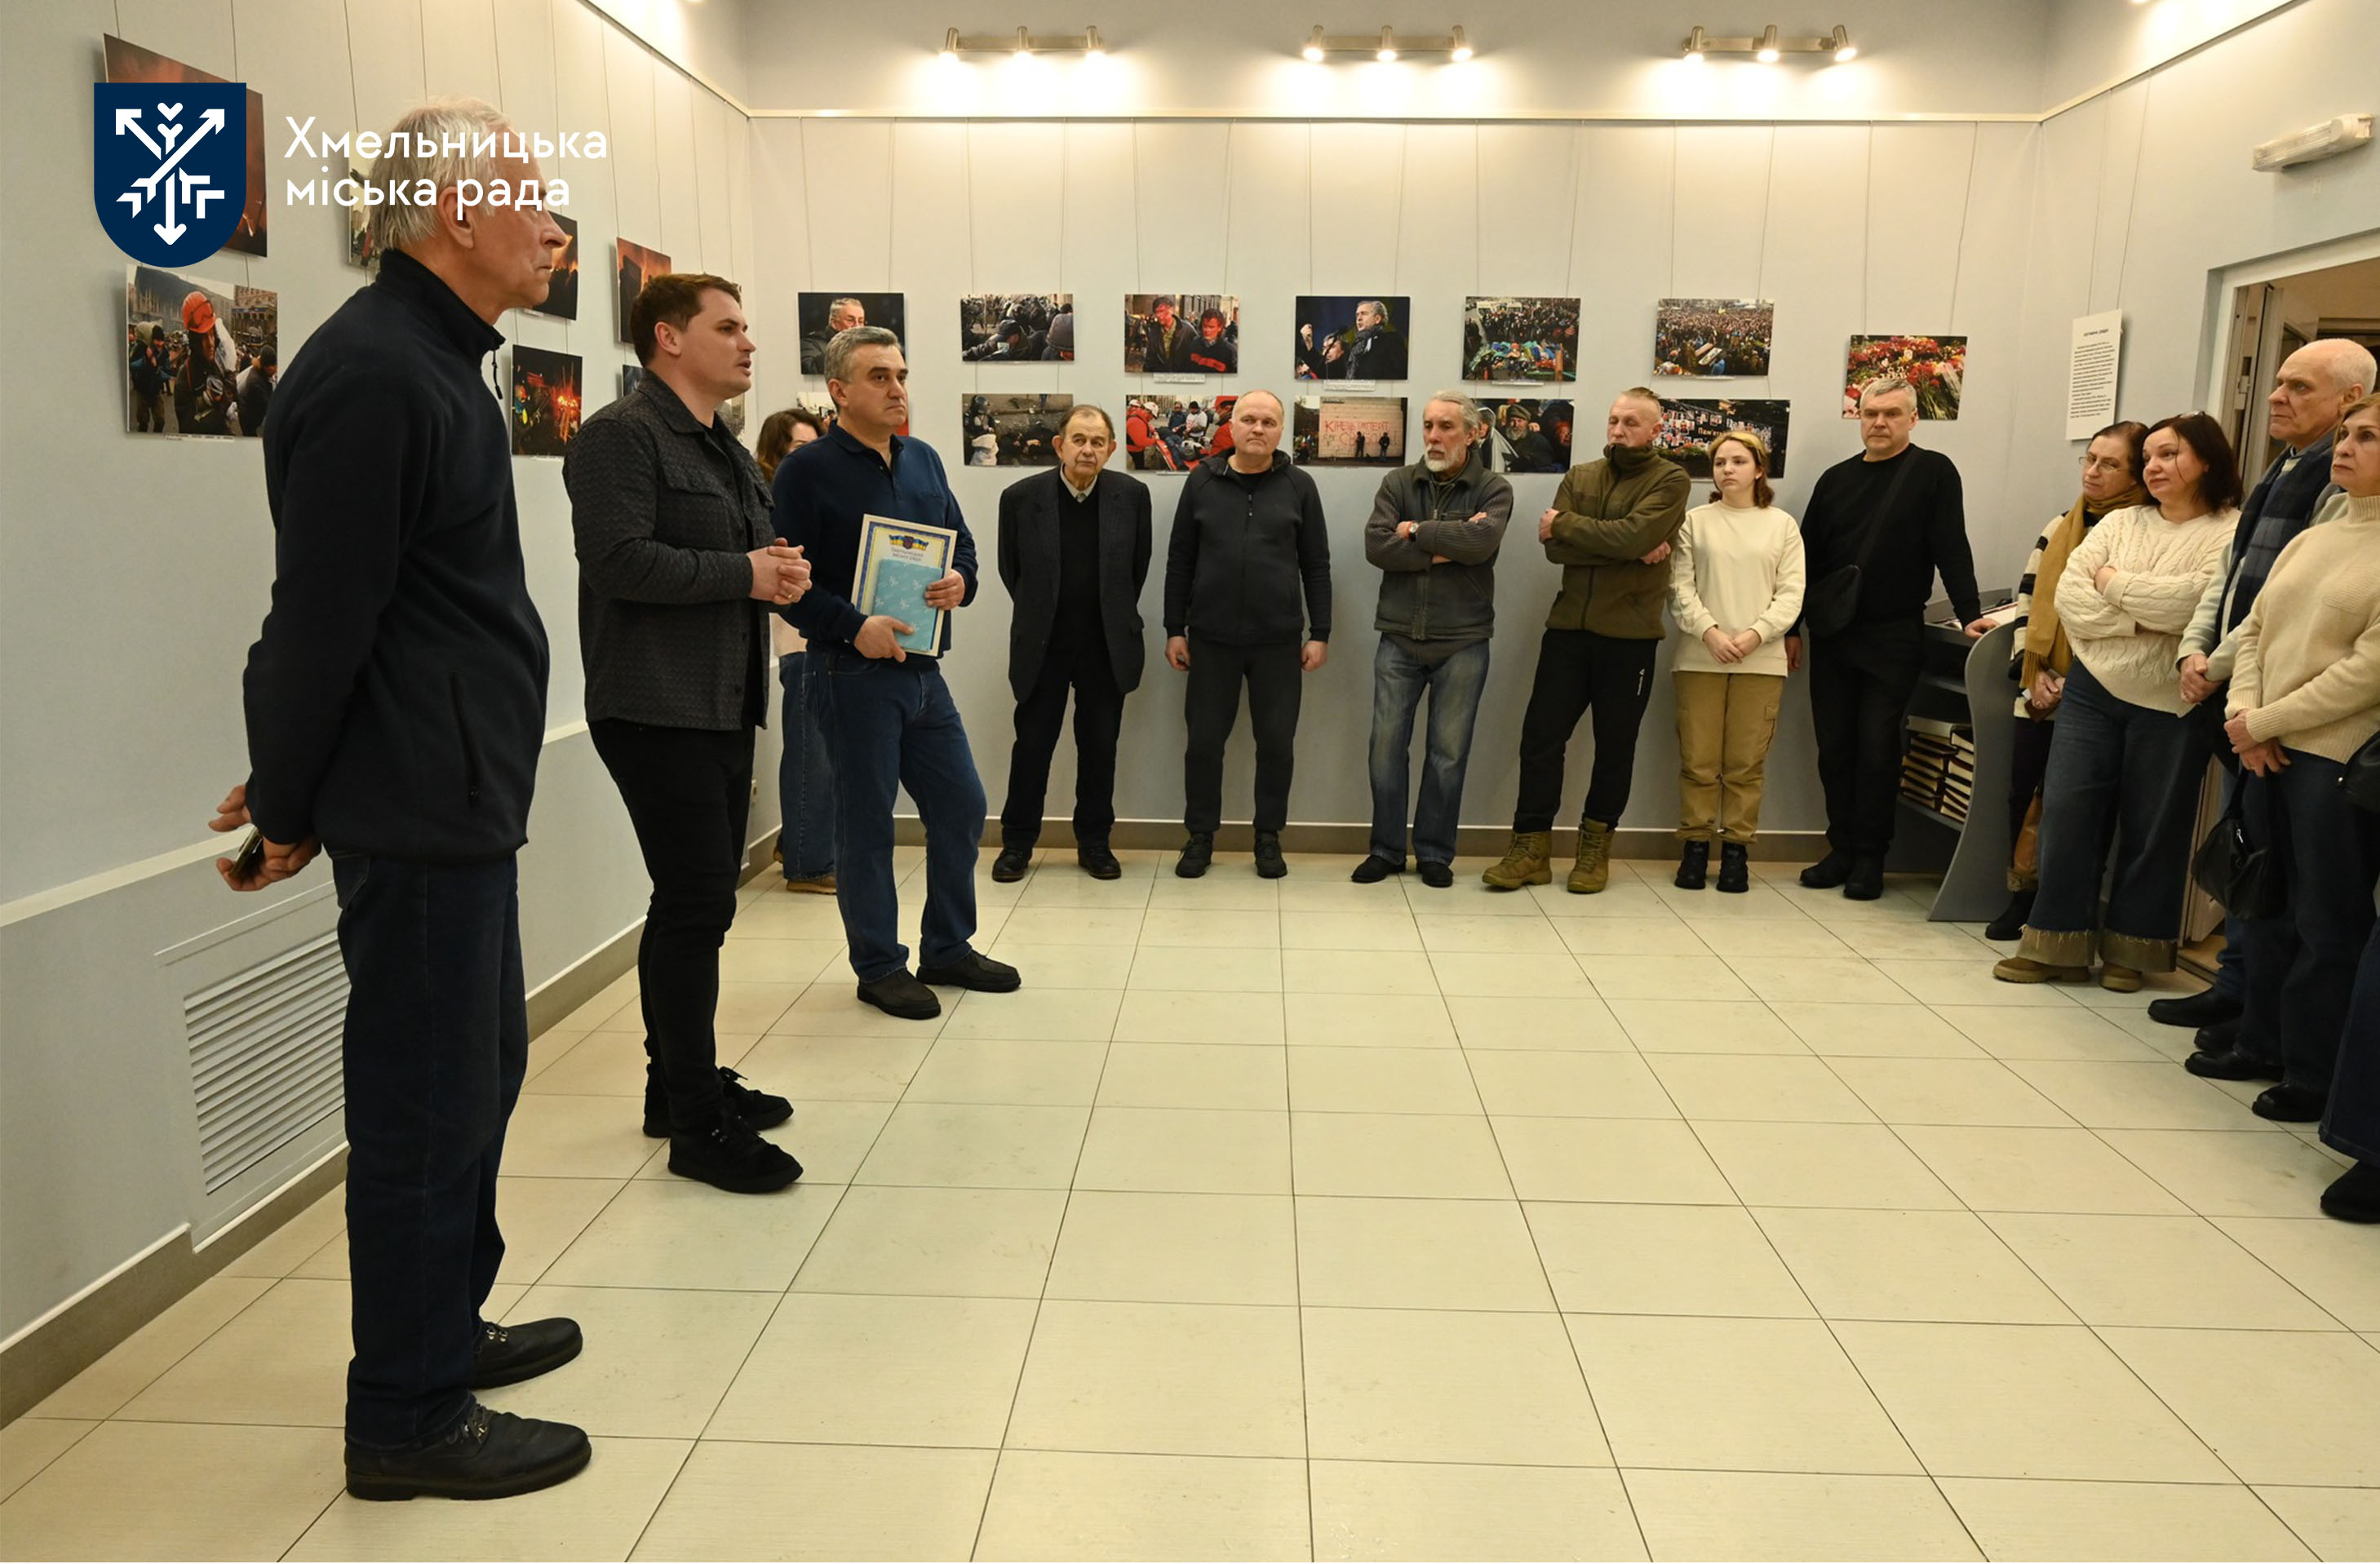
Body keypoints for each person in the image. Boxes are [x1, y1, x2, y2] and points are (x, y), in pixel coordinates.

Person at [211, 99, 588, 1502]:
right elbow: (318, 619)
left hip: (453, 793)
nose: (553, 222)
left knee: (478, 1078)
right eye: (529, 193)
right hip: (421, 802)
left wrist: (301, 777)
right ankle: (406, 1414)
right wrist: (287, 799)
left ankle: (445, 1329)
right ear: (455, 213)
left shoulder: (435, 363)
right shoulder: (378, 372)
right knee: (425, 1109)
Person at [566, 272, 807, 1193]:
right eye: (729, 327)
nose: (748, 343)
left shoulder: (724, 447)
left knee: (693, 904)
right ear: (669, 338)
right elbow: (619, 561)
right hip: (653, 704)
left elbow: (741, 555)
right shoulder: (618, 436)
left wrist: (776, 571)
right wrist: (745, 574)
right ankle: (697, 1126)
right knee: (697, 905)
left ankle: (675, 1087)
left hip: (720, 700)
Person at [774, 326, 1018, 1020]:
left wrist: (960, 581)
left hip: (922, 671)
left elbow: (962, 545)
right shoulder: (805, 471)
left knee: (962, 805)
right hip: (847, 672)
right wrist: (855, 626)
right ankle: (879, 965)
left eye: (901, 375)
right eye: (878, 376)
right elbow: (788, 583)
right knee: (867, 824)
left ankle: (947, 946)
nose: (896, 389)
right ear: (839, 390)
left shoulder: (924, 460)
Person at [2160, 339, 2378, 1041]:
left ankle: (2288, 1044)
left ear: (2348, 397)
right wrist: (2206, 661)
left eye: (2298, 386)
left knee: (2310, 905)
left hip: (2309, 738)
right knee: (2253, 872)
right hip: (2251, 712)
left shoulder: (2333, 497)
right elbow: (2243, 595)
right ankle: (2244, 1005)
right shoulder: (2286, 475)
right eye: (2278, 382)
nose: (2277, 397)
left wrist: (2248, 706)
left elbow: (2357, 663)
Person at [1992, 413, 2242, 990]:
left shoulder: (2230, 532)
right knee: (2067, 815)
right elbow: (2070, 599)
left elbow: (2194, 605)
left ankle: (2134, 950)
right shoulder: (2121, 522)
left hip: (2172, 700)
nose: (2153, 467)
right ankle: (2055, 944)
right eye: (2148, 457)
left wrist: (2115, 585)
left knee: (2154, 827)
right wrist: (2141, 620)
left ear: (2207, 460)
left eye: (2169, 455)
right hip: (2092, 690)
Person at [1483, 388, 1691, 894]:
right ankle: (1530, 850)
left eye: (1632, 422)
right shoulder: (1580, 476)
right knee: (1540, 740)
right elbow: (1556, 551)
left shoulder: (1671, 479)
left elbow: (1629, 536)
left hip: (1630, 637)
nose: (1619, 430)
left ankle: (1594, 850)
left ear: (1655, 430)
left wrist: (1573, 526)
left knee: (1615, 747)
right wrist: (1626, 545)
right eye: (1614, 420)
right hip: (1568, 631)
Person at [1785, 376, 1985, 901]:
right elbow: (1806, 558)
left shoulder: (1933, 472)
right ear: (1859, 417)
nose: (1879, 422)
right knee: (1834, 748)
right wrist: (1790, 627)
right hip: (1834, 634)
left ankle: (1871, 858)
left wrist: (1970, 614)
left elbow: (1951, 546)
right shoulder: (1835, 479)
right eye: (1871, 413)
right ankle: (1841, 849)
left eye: (1892, 414)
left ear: (1912, 419)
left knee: (1878, 748)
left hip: (1894, 633)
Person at [1985, 422, 2151, 938]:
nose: (2093, 472)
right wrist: (2031, 672)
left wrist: (2074, 681)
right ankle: (2022, 895)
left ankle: (2067, 907)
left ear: (2137, 474)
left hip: (2100, 691)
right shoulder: (2061, 525)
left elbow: (2128, 616)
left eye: (2110, 464)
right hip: (2039, 688)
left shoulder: (2143, 531)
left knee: (2081, 807)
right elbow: (2029, 599)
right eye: (2090, 459)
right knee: (2023, 793)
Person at [1164, 390, 1332, 879]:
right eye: (1249, 420)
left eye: (1269, 421)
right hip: (1210, 638)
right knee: (1203, 745)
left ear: (1281, 431)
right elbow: (1180, 560)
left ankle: (1268, 837)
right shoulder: (1201, 481)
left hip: (1278, 641)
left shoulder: (1300, 486)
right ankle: (1200, 837)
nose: (1258, 429)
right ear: (1231, 426)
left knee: (1276, 744)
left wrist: (1320, 631)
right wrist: (1175, 629)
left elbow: (1316, 565)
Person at [1355, 392, 1512, 888]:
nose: (1433, 436)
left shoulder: (1494, 488)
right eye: (1428, 425)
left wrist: (1415, 531)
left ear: (1473, 433)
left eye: (1446, 426)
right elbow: (1377, 547)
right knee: (1385, 751)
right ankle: (1385, 850)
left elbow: (1481, 543)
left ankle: (1434, 854)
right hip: (1399, 637)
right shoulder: (1398, 482)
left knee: (1448, 756)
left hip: (1463, 640)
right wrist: (1449, 540)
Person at [993, 405, 1154, 883]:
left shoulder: (1132, 496)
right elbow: (1011, 570)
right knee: (1033, 746)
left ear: (1112, 449)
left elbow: (1136, 569)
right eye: (1078, 440)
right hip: (1044, 644)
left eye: (1098, 442)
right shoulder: (1021, 498)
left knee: (1100, 747)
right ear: (1059, 445)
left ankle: (1095, 843)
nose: (1088, 450)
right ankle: (1017, 844)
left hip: (1106, 645)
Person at [1666, 430, 1806, 893]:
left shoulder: (1781, 525)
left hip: (1760, 660)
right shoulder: (1695, 522)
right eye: (1720, 462)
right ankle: (1695, 846)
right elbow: (1679, 587)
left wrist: (1754, 635)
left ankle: (1736, 852)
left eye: (1738, 461)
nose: (1727, 469)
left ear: (1759, 469)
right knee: (1699, 760)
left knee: (1746, 763)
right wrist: (1709, 631)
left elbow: (1792, 593)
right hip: (1699, 656)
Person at [755, 408, 837, 894]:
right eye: (798, 450)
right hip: (799, 639)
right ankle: (808, 865)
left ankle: (797, 844)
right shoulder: (772, 504)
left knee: (819, 749)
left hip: (823, 636)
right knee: (812, 752)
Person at [800, 296, 866, 375]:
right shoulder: (810, 343)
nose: (857, 326)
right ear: (834, 323)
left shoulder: (866, 346)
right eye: (850, 320)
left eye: (861, 321)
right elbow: (809, 369)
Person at [1141, 296, 1193, 374]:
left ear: (1171, 310)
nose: (1159, 315)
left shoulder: (1187, 330)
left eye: (1162, 311)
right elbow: (1150, 358)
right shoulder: (1153, 330)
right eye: (1157, 312)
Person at [237, 342, 277, 438]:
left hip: (250, 415)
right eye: (274, 365)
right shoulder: (256, 383)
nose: (276, 368)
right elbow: (269, 406)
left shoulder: (258, 371)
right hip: (249, 419)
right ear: (266, 367)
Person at [1190, 308, 1237, 374]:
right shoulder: (1194, 344)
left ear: (1219, 328)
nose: (1207, 330)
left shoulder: (1229, 352)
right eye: (1205, 326)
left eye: (1211, 327)